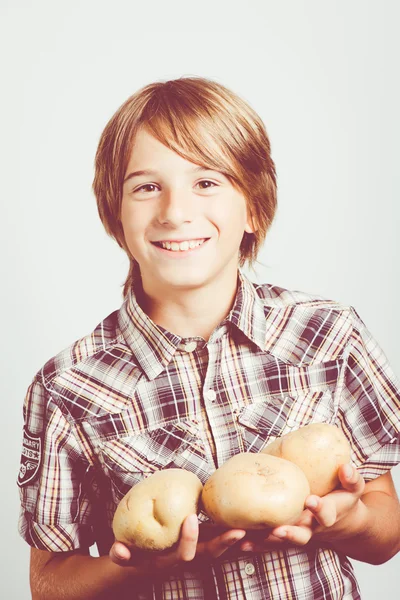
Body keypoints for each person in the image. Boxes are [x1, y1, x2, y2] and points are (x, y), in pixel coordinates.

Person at [17, 76, 400, 600]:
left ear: (253, 208)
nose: (175, 212)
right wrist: (143, 567)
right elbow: (49, 584)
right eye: (146, 186)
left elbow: (386, 534)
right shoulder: (68, 387)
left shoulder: (329, 335)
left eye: (207, 182)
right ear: (115, 213)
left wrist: (348, 521)